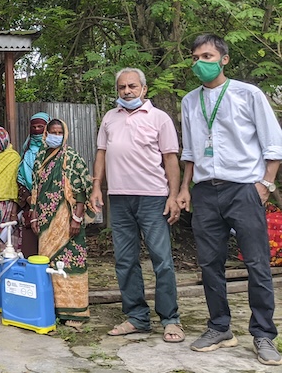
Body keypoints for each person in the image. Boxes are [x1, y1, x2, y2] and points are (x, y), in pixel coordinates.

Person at [177, 34, 282, 365]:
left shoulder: (247, 94)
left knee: (256, 262)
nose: (200, 63)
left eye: (207, 56)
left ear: (224, 59)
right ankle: (219, 326)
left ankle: (263, 334)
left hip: (243, 188)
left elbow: (273, 144)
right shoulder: (189, 102)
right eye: (195, 57)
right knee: (209, 263)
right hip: (206, 191)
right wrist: (184, 188)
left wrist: (265, 184)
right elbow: (191, 151)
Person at [90, 67, 184, 342]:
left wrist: (173, 195)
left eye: (132, 86)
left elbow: (170, 160)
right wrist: (97, 186)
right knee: (125, 261)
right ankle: (137, 318)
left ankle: (170, 319)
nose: (127, 91)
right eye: (122, 87)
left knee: (162, 260)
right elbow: (101, 154)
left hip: (153, 197)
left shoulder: (159, 118)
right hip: (119, 198)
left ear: (144, 89)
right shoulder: (109, 118)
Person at [30, 119, 94, 328]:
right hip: (45, 222)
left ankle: (75, 312)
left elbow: (82, 190)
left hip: (67, 219)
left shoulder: (72, 158)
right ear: (46, 134)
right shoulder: (40, 157)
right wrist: (33, 214)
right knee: (48, 264)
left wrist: (77, 218)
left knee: (69, 263)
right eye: (52, 131)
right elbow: (35, 189)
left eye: (59, 131)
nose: (56, 135)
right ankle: (52, 309)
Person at [17, 112, 50, 257]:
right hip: (29, 206)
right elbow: (19, 179)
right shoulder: (26, 152)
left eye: (40, 127)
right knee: (30, 252)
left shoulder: (54, 151)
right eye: (34, 127)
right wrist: (29, 198)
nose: (36, 130)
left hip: (51, 204)